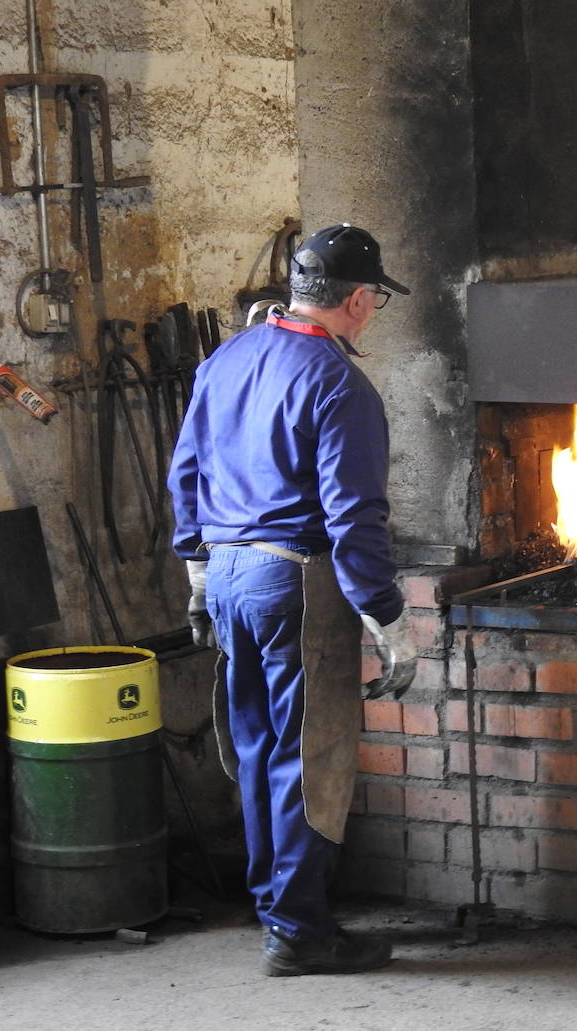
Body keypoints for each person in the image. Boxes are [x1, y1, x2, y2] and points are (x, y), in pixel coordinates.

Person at [168, 224, 418, 976]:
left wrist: (197, 571)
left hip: (231, 574)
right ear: (356, 299)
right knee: (310, 756)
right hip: (295, 584)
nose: (373, 310)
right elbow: (353, 517)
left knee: (258, 749)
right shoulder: (340, 385)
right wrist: (387, 614)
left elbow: (186, 471)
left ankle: (278, 907)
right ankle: (301, 931)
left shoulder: (226, 359)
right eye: (373, 297)